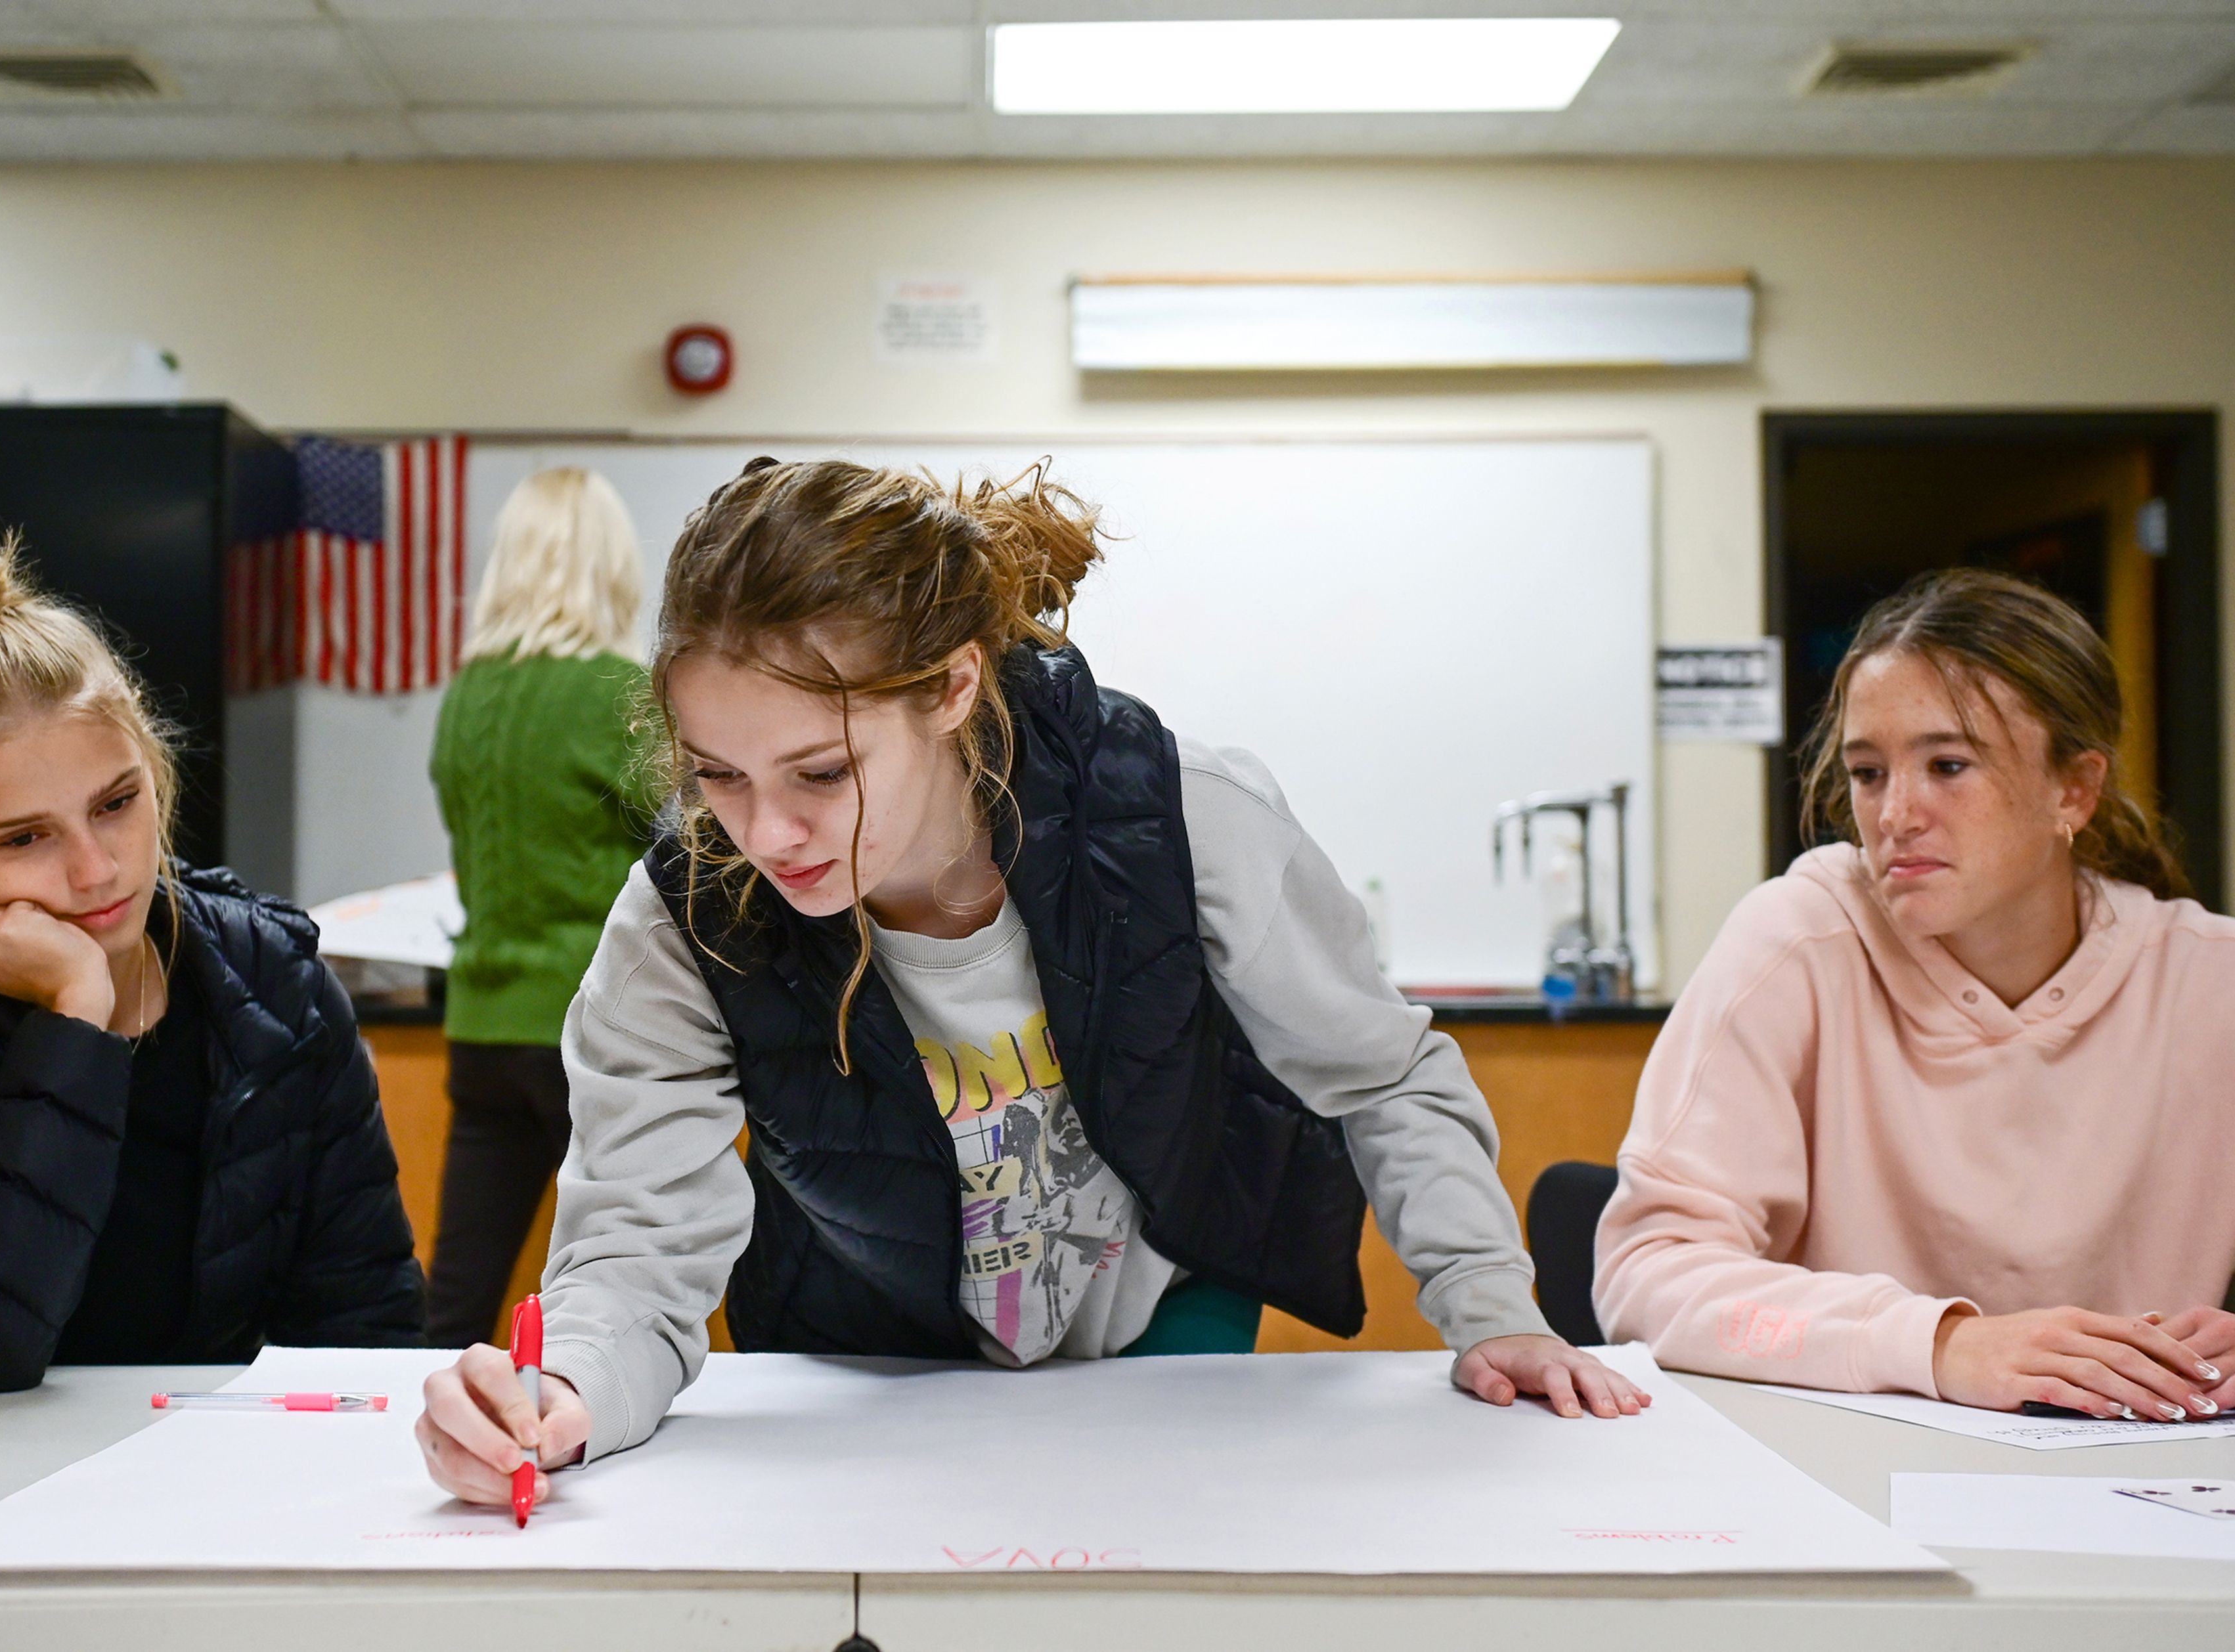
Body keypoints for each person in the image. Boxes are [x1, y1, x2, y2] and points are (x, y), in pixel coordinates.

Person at [414, 457, 1647, 1503]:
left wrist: (1497, 1312)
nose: (768, 831)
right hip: (868, 1353)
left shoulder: (1178, 815)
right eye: (717, 777)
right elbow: (637, 1245)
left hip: (1167, 1310)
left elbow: (1385, 1076)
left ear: (953, 688)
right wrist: (563, 1388)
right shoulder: (687, 913)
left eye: (821, 774)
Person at [1594, 568, 2235, 1422]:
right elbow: (1647, 1271)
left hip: (2138, 1476)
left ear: (2074, 789)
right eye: (1867, 773)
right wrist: (1938, 1344)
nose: (1896, 814)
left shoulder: (2208, 979)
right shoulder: (1798, 938)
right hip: (1841, 1468)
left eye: (1948, 765)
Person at [0, 543, 423, 1392]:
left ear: (153, 765)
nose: (95, 870)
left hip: (207, 1486)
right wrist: (74, 1017)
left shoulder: (274, 978)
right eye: (24, 838)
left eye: (116, 804)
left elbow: (365, 1328)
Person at [425, 468, 650, 1347]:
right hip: (591, 1028)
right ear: (612, 564)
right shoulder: (618, 694)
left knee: (456, 1298)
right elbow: (695, 844)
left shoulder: (467, 696)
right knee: (617, 1286)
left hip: (482, 1024)